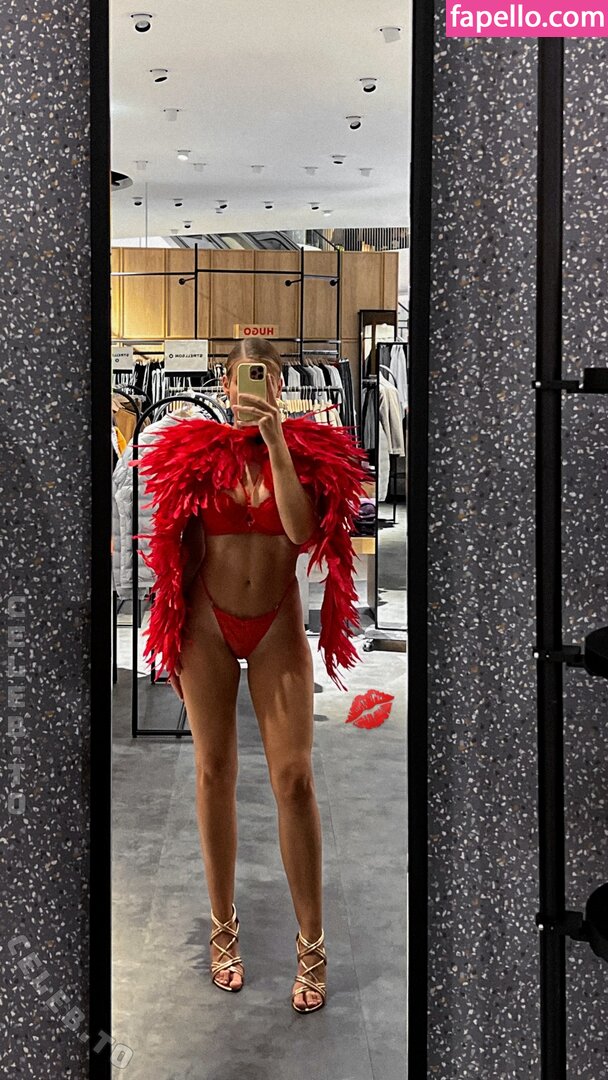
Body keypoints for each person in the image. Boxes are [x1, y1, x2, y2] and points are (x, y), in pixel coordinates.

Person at [130, 339, 370, 1013]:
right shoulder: (194, 453)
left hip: (276, 627)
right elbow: (170, 554)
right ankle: (223, 928)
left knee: (294, 778)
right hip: (206, 623)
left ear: (280, 387)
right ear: (226, 385)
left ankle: (312, 942)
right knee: (214, 770)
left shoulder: (309, 454)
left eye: (265, 380)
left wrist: (277, 444)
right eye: (243, 381)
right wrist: (168, 636)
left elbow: (300, 534)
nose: (252, 391)